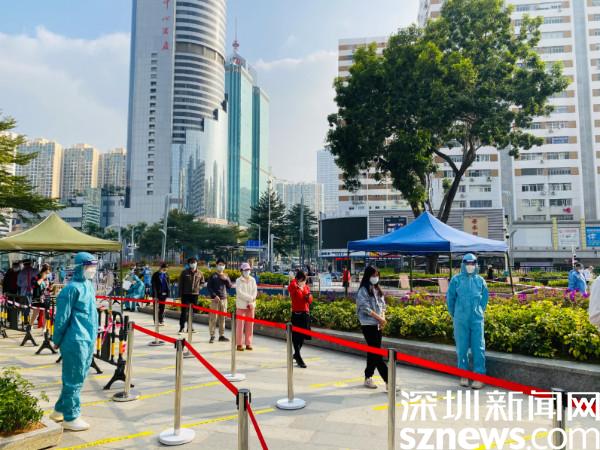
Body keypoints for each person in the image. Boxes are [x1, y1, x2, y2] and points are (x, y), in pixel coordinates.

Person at [50, 252, 99, 431]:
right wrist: (57, 339)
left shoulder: (88, 286)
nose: (92, 270)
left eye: (94, 266)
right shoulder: (70, 289)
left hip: (87, 338)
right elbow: (61, 318)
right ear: (79, 268)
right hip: (75, 340)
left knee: (78, 376)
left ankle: (59, 410)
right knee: (74, 379)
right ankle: (71, 417)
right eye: (89, 267)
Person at [446, 253, 489, 389]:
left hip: (476, 318)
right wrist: (456, 314)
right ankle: (463, 375)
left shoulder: (480, 281)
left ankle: (479, 376)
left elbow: (484, 299)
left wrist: (479, 311)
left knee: (478, 347)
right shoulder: (456, 280)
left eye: (472, 263)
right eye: (467, 263)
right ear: (463, 264)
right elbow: (450, 299)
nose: (470, 266)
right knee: (462, 347)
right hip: (460, 319)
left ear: (476, 264)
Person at [356, 266, 389, 389]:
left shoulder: (377, 289)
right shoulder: (363, 290)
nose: (376, 277)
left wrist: (382, 318)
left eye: (377, 275)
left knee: (373, 352)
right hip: (368, 324)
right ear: (368, 276)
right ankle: (389, 381)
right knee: (377, 353)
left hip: (378, 324)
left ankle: (368, 377)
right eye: (373, 275)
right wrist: (379, 318)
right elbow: (365, 308)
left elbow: (383, 305)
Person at [288, 270, 313, 368]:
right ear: (298, 279)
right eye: (302, 279)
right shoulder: (293, 285)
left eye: (304, 280)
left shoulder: (306, 287)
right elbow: (292, 289)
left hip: (305, 314)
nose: (304, 282)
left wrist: (308, 296)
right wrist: (297, 283)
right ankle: (298, 356)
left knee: (303, 336)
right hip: (296, 314)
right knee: (296, 337)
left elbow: (310, 299)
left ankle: (296, 354)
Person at [207, 258, 232, 343]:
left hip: (224, 299)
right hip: (215, 300)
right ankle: (212, 335)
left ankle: (221, 335)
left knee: (223, 318)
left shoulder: (226, 275)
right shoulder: (213, 276)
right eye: (220, 265)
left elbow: (229, 286)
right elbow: (209, 287)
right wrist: (214, 296)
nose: (221, 266)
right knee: (213, 318)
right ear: (216, 265)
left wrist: (226, 279)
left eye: (223, 265)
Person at [235, 262, 258, 351]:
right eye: (245, 270)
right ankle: (239, 344)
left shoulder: (253, 280)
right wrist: (250, 298)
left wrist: (252, 300)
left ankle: (248, 343)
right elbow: (239, 293)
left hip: (251, 306)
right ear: (241, 271)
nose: (247, 271)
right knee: (240, 326)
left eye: (248, 269)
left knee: (250, 326)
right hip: (241, 306)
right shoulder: (238, 280)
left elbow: (255, 291)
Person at [179, 257, 204, 333]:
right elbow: (181, 284)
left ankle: (190, 327)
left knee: (192, 312)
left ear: (196, 263)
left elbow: (202, 282)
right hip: (185, 294)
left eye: (194, 262)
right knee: (184, 311)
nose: (193, 264)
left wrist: (200, 287)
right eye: (191, 262)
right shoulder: (184, 272)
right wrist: (180, 294)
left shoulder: (200, 273)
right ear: (189, 264)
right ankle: (182, 327)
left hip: (195, 294)